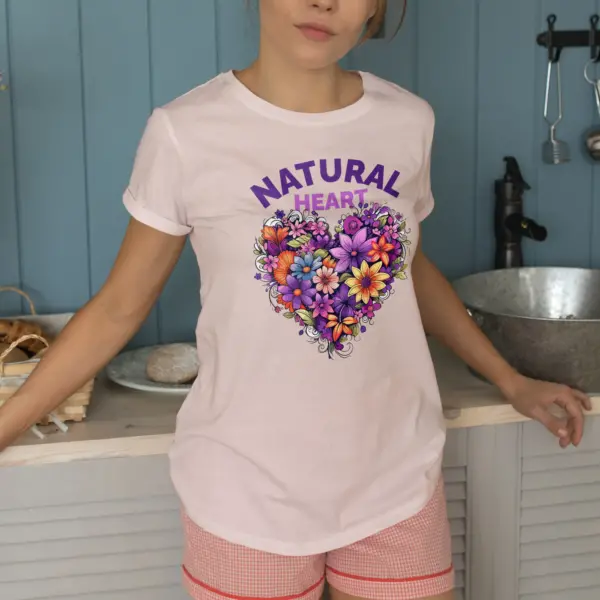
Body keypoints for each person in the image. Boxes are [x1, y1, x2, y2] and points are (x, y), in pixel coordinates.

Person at [0, 1, 592, 599]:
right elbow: (117, 309)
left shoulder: (407, 120)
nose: (323, 3)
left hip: (396, 483)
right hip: (245, 496)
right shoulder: (186, 131)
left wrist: (510, 380)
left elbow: (405, 268)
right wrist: (6, 425)